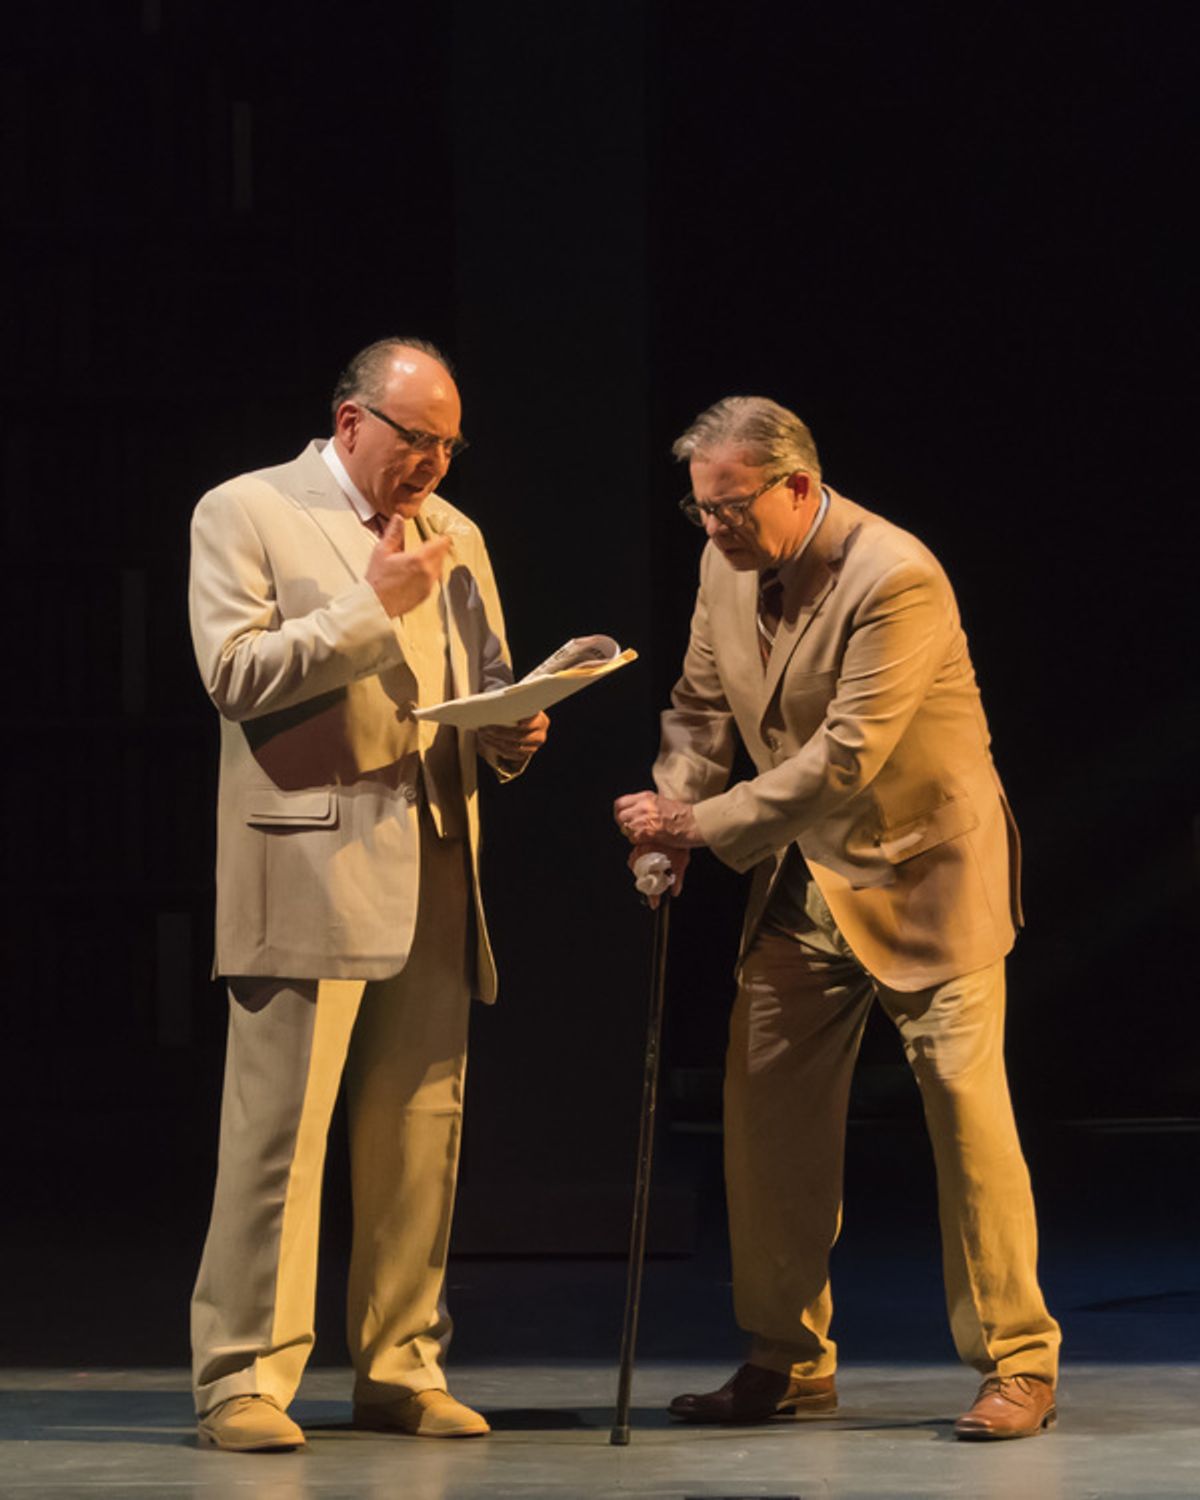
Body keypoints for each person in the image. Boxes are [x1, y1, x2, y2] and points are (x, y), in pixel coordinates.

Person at [614, 396, 1060, 1441]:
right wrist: (668, 823)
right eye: (700, 508)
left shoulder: (896, 576)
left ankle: (1019, 1362)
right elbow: (700, 709)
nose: (713, 526)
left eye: (730, 506)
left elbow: (847, 757)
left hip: (925, 872)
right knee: (764, 1115)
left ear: (799, 486)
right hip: (803, 877)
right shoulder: (723, 563)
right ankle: (787, 1357)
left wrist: (699, 822)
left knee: (967, 1121)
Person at [188, 337, 548, 1452]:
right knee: (278, 1143)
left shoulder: (457, 533)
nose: (433, 463)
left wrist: (514, 731)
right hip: (308, 867)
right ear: (352, 422)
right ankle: (242, 1379)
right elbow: (233, 674)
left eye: (449, 444)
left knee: (419, 1134)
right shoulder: (247, 510)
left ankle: (401, 1367)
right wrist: (369, 606)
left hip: (435, 860)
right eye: (416, 439)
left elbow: (483, 683)